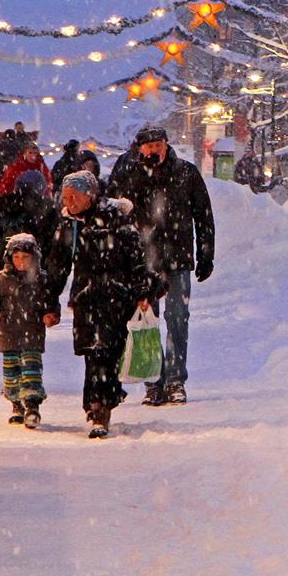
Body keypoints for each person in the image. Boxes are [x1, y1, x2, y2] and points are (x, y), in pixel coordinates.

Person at [45, 170, 164, 439]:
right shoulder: (68, 223)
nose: (69, 202)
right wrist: (49, 302)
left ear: (90, 195)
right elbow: (57, 266)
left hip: (116, 297)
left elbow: (136, 260)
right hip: (86, 298)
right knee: (92, 352)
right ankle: (98, 406)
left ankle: (103, 405)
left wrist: (144, 291)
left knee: (108, 352)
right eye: (65, 197)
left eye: (74, 197)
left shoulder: (117, 221)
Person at [108, 127, 215, 406]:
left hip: (177, 258)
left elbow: (203, 215)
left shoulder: (186, 173)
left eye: (159, 144)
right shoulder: (128, 175)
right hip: (142, 262)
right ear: (139, 148)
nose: (154, 150)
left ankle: (176, 379)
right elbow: (114, 217)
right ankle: (154, 381)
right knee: (147, 323)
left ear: (167, 145)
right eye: (149, 145)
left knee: (178, 319)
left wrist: (206, 254)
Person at [0, 233, 54, 429]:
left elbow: (50, 302)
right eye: (16, 257)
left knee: (31, 371)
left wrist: (51, 314)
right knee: (11, 373)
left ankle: (32, 406)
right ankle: (16, 404)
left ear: (34, 258)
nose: (20, 262)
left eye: (25, 257)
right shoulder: (1, 280)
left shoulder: (41, 279)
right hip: (9, 333)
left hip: (32, 333)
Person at [0, 168, 56, 274]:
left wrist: (3, 252)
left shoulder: (1, 204)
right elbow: (51, 242)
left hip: (2, 268)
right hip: (34, 271)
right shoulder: (46, 208)